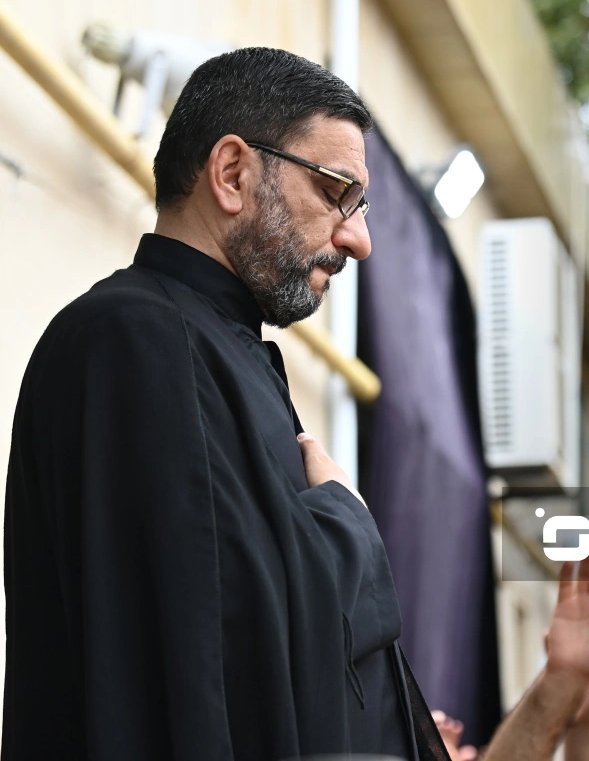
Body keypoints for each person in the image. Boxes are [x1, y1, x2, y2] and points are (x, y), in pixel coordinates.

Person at [3, 46, 448, 760]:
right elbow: (217, 638)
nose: (357, 240)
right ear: (234, 173)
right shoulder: (136, 339)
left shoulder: (210, 347)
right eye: (337, 192)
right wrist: (347, 522)